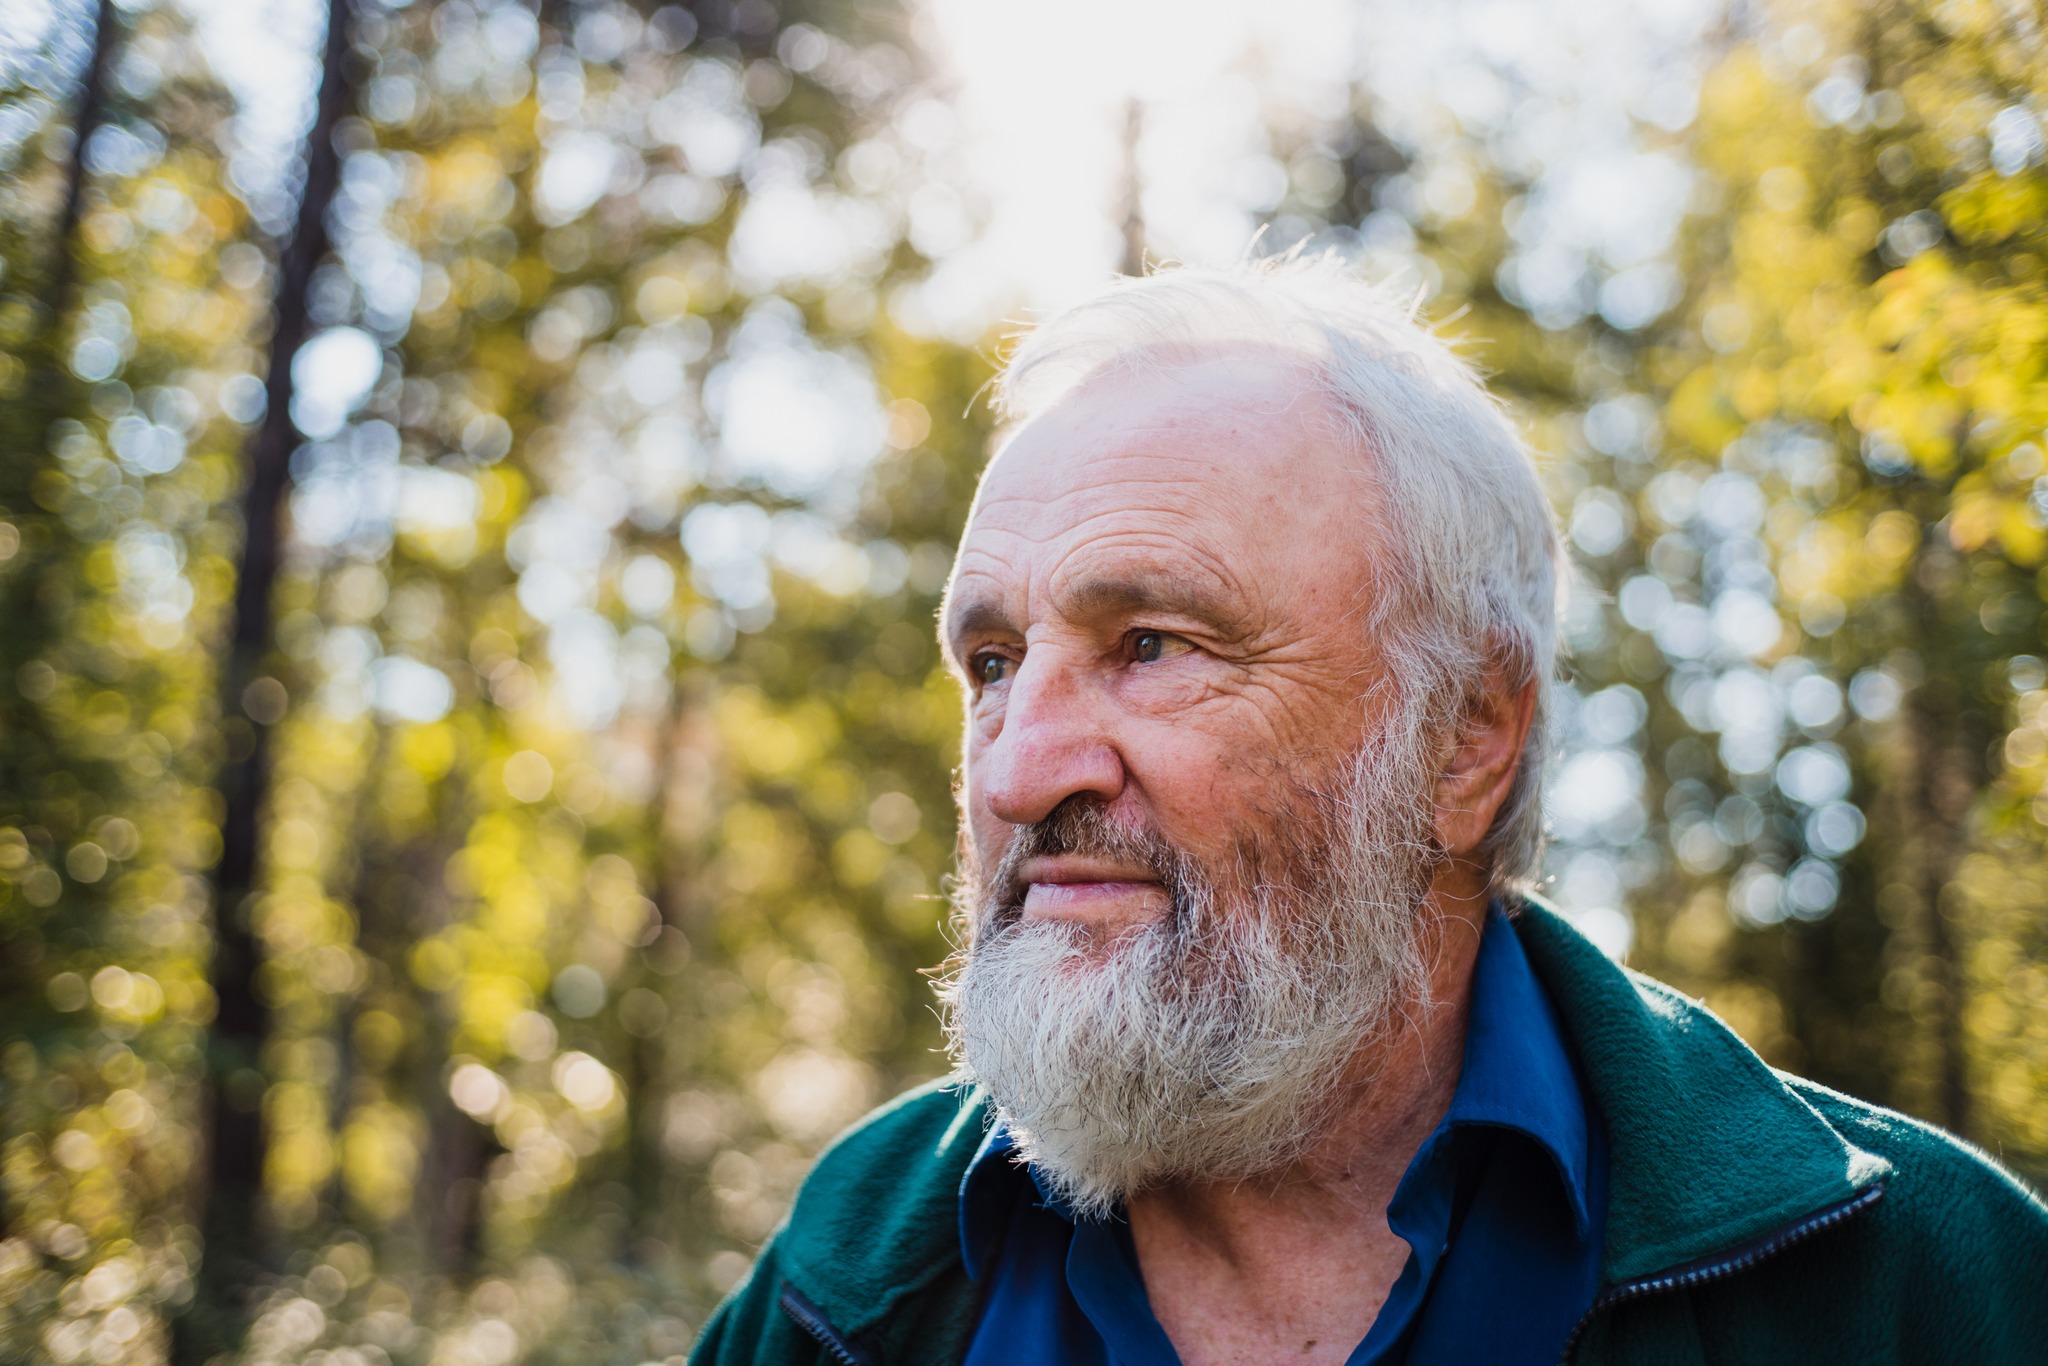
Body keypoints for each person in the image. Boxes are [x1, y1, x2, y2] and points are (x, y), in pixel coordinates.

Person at [689, 260, 2048, 1366]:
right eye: (991, 665)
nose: (1014, 770)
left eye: (1155, 642)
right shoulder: (851, 1274)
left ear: (1466, 740)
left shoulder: (1920, 1284)